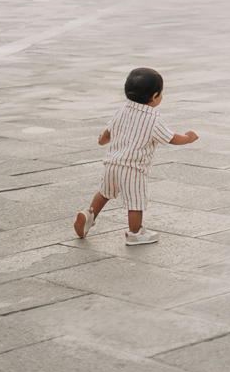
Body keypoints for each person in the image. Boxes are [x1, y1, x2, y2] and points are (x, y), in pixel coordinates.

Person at [74, 67, 197, 245]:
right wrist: (188, 138)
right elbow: (171, 138)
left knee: (104, 193)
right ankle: (135, 233)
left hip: (112, 165)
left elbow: (107, 134)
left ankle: (89, 214)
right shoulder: (153, 119)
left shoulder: (121, 112)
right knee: (135, 202)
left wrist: (101, 141)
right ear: (154, 96)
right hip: (133, 169)